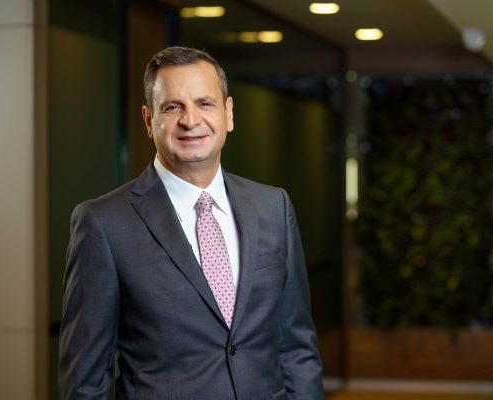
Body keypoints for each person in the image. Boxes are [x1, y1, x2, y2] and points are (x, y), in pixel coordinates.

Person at [58, 46, 324, 400]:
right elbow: (85, 380)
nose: (190, 120)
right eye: (173, 107)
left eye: (205, 103)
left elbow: (296, 348)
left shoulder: (273, 207)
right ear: (149, 120)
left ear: (229, 114)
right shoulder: (103, 224)